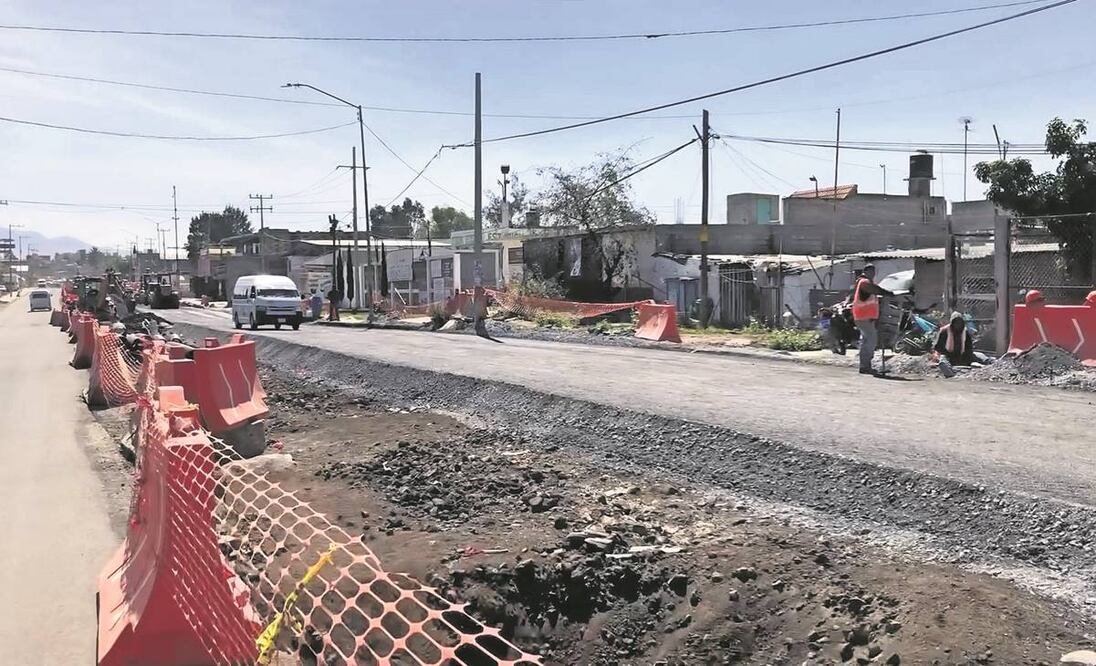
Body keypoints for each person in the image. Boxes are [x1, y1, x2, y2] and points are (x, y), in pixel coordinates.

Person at [850, 264, 894, 375]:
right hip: (864, 317)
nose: (873, 274)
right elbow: (876, 290)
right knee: (870, 341)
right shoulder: (864, 282)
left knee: (867, 341)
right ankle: (865, 366)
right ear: (866, 271)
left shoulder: (865, 282)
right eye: (871, 271)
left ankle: (865, 366)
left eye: (874, 272)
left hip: (864, 317)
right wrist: (888, 293)